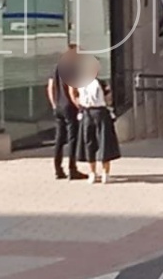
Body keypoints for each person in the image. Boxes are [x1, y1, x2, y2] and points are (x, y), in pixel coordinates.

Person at [68, 55, 121, 184]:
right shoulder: (101, 83)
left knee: (89, 142)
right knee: (102, 142)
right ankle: (103, 173)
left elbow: (74, 93)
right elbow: (109, 99)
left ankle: (94, 173)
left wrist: (79, 105)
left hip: (87, 112)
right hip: (99, 112)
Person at [47, 45, 87, 180]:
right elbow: (72, 90)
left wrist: (54, 104)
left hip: (58, 106)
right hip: (70, 107)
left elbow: (50, 87)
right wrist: (79, 106)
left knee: (59, 138)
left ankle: (58, 169)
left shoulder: (57, 67)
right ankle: (72, 169)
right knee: (72, 138)